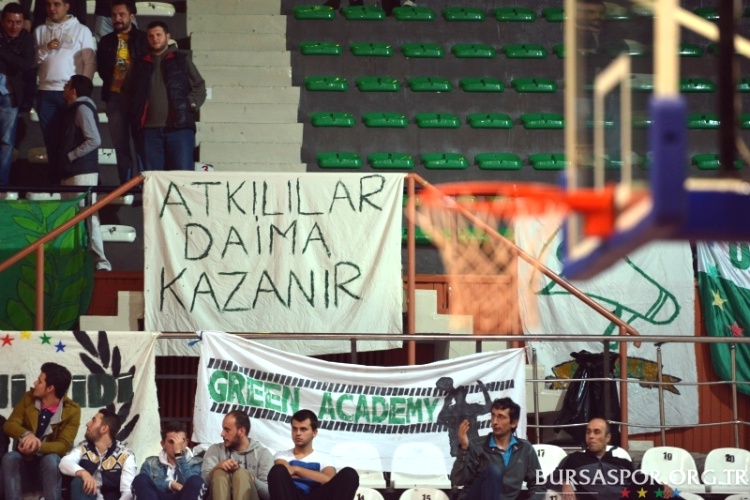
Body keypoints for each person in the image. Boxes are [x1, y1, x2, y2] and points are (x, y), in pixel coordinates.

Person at [126, 20, 206, 172]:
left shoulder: (182, 60)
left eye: (158, 35)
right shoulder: (139, 64)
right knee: (153, 179)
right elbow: (127, 91)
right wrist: (134, 112)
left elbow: (199, 86)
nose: (155, 39)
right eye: (151, 36)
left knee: (182, 177)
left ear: (167, 37)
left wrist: (191, 103)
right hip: (148, 131)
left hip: (179, 129)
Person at [33, 0, 95, 182]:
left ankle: (71, 181)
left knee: (71, 141)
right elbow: (32, 61)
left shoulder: (81, 30)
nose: (52, 8)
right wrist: (45, 48)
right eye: (49, 4)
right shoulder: (40, 30)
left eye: (57, 4)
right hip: (45, 91)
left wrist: (82, 91)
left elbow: (89, 62)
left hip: (70, 94)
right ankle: (55, 183)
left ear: (67, 6)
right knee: (51, 141)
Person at [1, 362, 81, 500]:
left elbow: (63, 445)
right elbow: (10, 425)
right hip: (24, 467)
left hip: (49, 473)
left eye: (39, 381)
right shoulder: (29, 398)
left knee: (51, 459)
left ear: (50, 388)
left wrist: (37, 445)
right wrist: (27, 435)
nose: (35, 383)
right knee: (10, 457)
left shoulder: (73, 410)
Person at [545, 418, 678, 499]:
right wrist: (565, 483)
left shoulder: (621, 462)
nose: (591, 436)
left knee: (654, 489)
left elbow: (641, 477)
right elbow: (550, 479)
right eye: (588, 432)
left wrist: (662, 486)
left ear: (607, 437)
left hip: (623, 497)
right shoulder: (574, 459)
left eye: (597, 432)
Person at [59, 74, 110, 271]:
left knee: (88, 216)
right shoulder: (74, 109)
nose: (63, 88)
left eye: (67, 85)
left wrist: (71, 155)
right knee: (72, 217)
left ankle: (101, 262)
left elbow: (94, 139)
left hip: (82, 172)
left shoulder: (82, 108)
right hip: (71, 171)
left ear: (73, 91)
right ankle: (80, 262)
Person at [450, 397, 544, 500]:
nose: (494, 422)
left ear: (513, 423)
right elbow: (457, 480)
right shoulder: (477, 446)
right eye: (493, 415)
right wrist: (463, 448)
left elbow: (538, 484)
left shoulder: (525, 449)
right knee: (494, 471)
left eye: (501, 417)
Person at [96, 0, 147, 184]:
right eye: (114, 15)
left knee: (141, 144)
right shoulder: (106, 41)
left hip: (137, 98)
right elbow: (102, 69)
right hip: (114, 97)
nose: (117, 19)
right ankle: (125, 186)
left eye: (121, 15)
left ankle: (144, 186)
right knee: (120, 145)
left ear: (131, 16)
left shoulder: (143, 38)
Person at [268, 409, 359, 500]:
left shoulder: (325, 458)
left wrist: (296, 469)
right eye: (295, 429)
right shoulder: (282, 455)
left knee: (350, 474)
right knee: (278, 470)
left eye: (303, 429)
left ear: (314, 433)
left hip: (317, 496)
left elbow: (328, 479)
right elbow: (283, 473)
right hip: (291, 496)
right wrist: (317, 476)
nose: (298, 433)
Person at [59, 408, 137, 500]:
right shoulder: (84, 447)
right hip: (86, 497)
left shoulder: (125, 455)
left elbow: (127, 492)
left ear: (104, 429)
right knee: (78, 481)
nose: (88, 424)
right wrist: (83, 473)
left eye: (93, 421)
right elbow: (64, 463)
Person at [200, 410, 273, 500]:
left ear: (241, 431)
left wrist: (251, 478)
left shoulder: (263, 454)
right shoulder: (215, 450)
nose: (222, 434)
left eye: (227, 430)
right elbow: (200, 489)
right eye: (223, 429)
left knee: (241, 475)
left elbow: (269, 495)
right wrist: (216, 469)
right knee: (219, 474)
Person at [0, 2, 34, 189]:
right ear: (2, 21)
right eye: (10, 22)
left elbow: (26, 65)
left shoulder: (26, 39)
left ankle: (1, 185)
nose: (14, 26)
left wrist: (3, 53)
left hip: (11, 96)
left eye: (18, 22)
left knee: (6, 142)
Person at [131, 421, 207, 500]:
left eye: (180, 442)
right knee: (141, 479)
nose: (176, 446)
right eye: (171, 442)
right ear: (163, 444)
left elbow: (192, 487)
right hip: (157, 497)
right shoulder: (150, 462)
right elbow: (145, 487)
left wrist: (179, 456)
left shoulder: (197, 463)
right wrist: (170, 484)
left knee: (196, 480)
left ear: (186, 443)